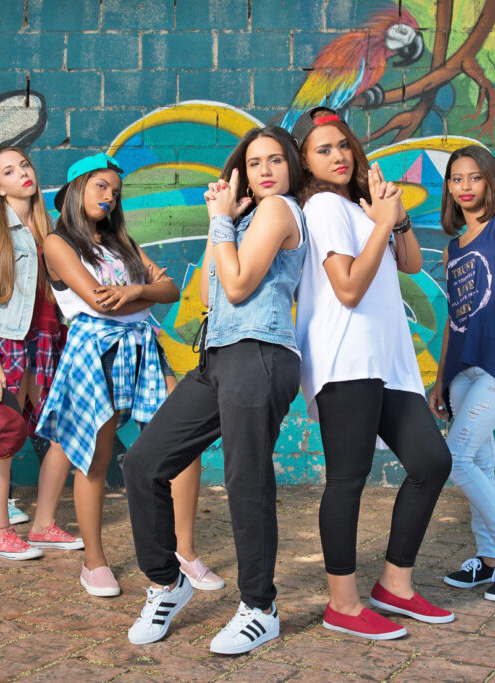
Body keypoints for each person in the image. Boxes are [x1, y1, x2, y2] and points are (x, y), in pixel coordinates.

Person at [122, 126, 306, 655]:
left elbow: (240, 284)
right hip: (219, 357)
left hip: (260, 354)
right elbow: (207, 289)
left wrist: (224, 221)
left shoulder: (279, 211)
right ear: (239, 172)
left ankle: (260, 608)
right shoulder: (244, 216)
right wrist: (218, 221)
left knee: (246, 478)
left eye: (275, 160)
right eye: (253, 163)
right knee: (144, 463)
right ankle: (166, 581)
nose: (265, 170)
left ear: (291, 167)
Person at [292, 107, 454, 640]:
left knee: (432, 461)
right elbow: (347, 288)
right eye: (323, 150)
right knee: (348, 477)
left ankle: (395, 586)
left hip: (388, 359)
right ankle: (342, 603)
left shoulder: (356, 206)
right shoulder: (320, 207)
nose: (338, 155)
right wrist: (383, 221)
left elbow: (408, 263)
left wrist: (394, 215)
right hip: (346, 356)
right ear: (305, 162)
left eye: (342, 145)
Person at [37, 153, 191, 596]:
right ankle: (94, 561)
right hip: (95, 354)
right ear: (75, 189)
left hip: (144, 349)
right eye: (100, 186)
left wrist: (137, 290)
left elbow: (170, 289)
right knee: (95, 457)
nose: (109, 197)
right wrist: (144, 293)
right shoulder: (58, 243)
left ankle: (185, 551)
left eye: (114, 191)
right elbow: (98, 301)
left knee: (181, 440)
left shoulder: (121, 243)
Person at [427, 145, 495, 601]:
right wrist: (439, 378)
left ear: (489, 181)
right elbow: (458, 316)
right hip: (461, 368)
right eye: (456, 179)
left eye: (474, 178)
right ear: (449, 189)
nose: (465, 187)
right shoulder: (454, 246)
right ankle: (490, 558)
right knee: (478, 461)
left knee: (454, 457)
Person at [0, 147, 81, 560]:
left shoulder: (48, 230)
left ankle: (43, 525)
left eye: (25, 165)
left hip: (46, 341)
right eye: (9, 171)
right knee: (2, 436)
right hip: (8, 345)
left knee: (64, 432)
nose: (22, 174)